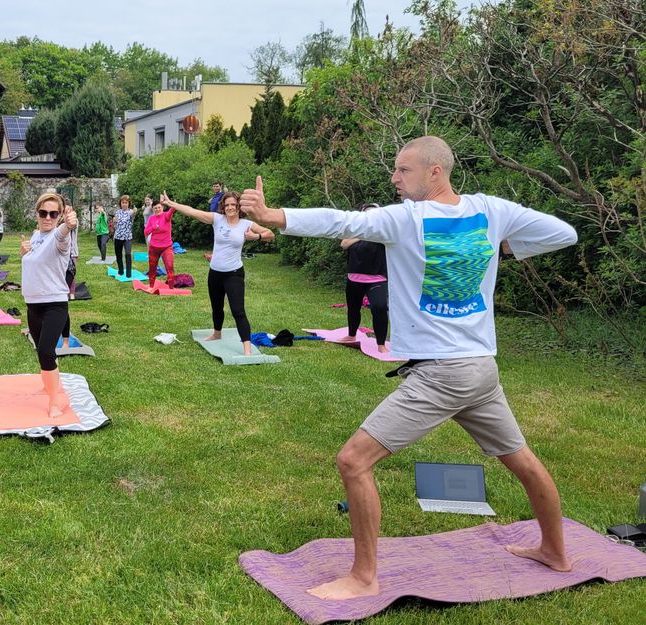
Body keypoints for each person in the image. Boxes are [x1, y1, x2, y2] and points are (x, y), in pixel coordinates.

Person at [238, 135, 578, 600]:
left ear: (435, 171)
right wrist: (498, 250)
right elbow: (564, 233)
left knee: (353, 461)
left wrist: (275, 217)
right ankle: (556, 553)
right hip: (480, 370)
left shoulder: (407, 219)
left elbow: (343, 221)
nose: (394, 179)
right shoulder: (492, 211)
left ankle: (363, 577)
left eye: (403, 170)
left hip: (442, 375)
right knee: (521, 461)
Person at [160, 191, 274, 355]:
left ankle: (247, 347)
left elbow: (270, 234)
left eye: (233, 205)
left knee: (238, 310)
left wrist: (256, 237)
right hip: (215, 273)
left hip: (234, 273)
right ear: (223, 206)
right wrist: (171, 204)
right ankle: (217, 333)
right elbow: (192, 212)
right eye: (227, 205)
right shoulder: (217, 219)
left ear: (238, 207)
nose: (230, 208)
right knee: (216, 307)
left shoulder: (245, 224)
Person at [21, 193, 78, 417]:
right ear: (37, 213)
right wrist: (23, 251)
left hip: (54, 304)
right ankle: (50, 383)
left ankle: (54, 401)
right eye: (43, 213)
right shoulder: (35, 235)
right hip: (32, 304)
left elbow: (63, 234)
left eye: (53, 213)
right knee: (41, 351)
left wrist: (67, 224)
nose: (48, 217)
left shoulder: (59, 235)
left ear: (59, 215)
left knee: (46, 350)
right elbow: (31, 261)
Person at [340, 204, 390, 352]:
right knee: (353, 308)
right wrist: (363, 234)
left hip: (377, 278)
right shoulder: (354, 232)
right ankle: (351, 335)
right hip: (354, 278)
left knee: (379, 308)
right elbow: (344, 244)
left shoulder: (383, 232)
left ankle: (381, 344)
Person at [143, 198, 176, 288]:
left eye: (159, 207)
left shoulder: (166, 216)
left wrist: (172, 203)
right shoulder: (151, 218)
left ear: (162, 207)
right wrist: (153, 227)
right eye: (155, 208)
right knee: (152, 268)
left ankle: (171, 288)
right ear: (153, 209)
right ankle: (151, 286)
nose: (157, 209)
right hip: (154, 247)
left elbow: (172, 210)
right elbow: (146, 232)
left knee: (170, 267)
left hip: (167, 247)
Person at [110, 195, 138, 277]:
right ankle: (121, 271)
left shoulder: (131, 212)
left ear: (129, 203)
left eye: (126, 202)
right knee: (118, 254)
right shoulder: (118, 212)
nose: (124, 204)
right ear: (120, 203)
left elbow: (133, 215)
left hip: (127, 237)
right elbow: (115, 224)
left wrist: (135, 212)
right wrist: (114, 221)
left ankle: (128, 274)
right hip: (118, 236)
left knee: (128, 254)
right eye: (123, 202)